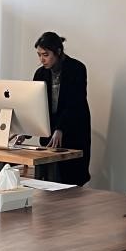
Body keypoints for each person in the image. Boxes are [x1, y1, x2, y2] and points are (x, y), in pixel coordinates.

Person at [32, 32, 92, 186]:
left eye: (46, 55)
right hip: (50, 136)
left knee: (71, 180)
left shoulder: (77, 69)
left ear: (58, 52)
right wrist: (24, 131)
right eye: (39, 55)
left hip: (73, 132)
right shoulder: (40, 74)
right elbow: (36, 106)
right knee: (49, 182)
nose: (42, 59)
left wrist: (60, 128)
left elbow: (75, 103)